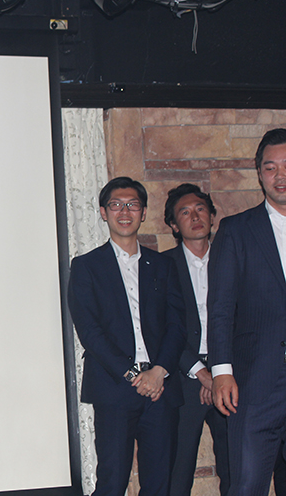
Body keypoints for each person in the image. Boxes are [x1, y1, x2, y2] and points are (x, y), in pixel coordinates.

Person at [68, 176, 185, 496]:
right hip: (115, 388)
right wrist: (134, 375)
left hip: (161, 388)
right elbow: (89, 331)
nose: (124, 211)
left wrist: (158, 372)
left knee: (160, 484)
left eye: (132, 205)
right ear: (103, 212)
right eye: (116, 205)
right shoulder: (86, 266)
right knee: (112, 482)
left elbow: (177, 324)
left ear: (143, 212)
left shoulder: (163, 265)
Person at [209, 128, 286, 496]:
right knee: (247, 485)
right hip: (256, 384)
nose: (280, 175)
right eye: (270, 168)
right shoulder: (236, 230)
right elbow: (220, 307)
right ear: (259, 173)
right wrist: (222, 372)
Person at [162, 183, 229, 496]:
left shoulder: (233, 259)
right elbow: (162, 327)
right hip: (183, 378)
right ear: (174, 226)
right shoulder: (163, 267)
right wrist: (202, 373)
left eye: (201, 209)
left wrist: (218, 372)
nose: (195, 217)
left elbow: (245, 320)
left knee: (237, 467)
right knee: (177, 472)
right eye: (185, 212)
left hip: (230, 375)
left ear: (212, 216)